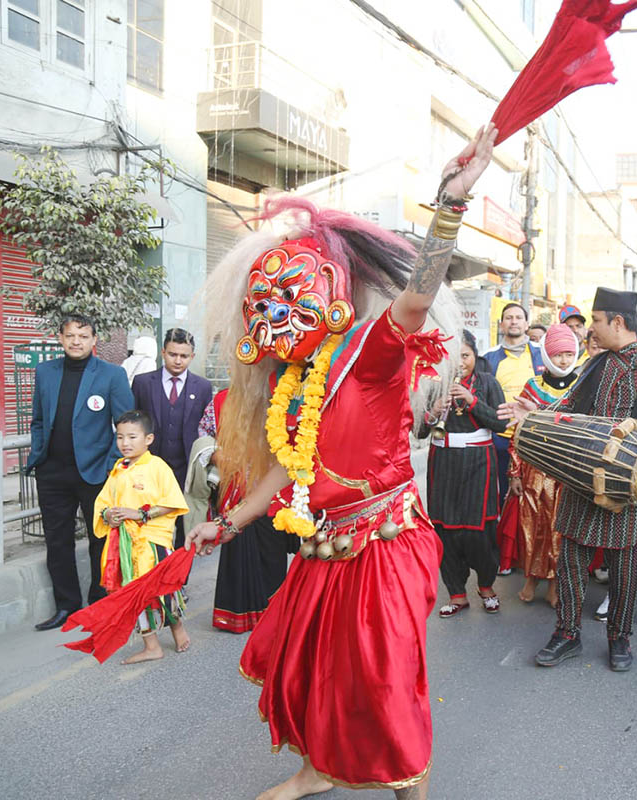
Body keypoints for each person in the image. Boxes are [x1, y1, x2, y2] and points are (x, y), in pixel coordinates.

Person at [187, 124, 495, 798]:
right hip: (325, 548)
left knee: (383, 676)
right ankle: (316, 769)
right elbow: (283, 468)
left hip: (387, 543)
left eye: (293, 299)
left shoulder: (370, 353)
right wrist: (230, 520)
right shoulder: (287, 386)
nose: (277, 316)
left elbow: (416, 297)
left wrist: (449, 204)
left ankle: (410, 788)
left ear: (330, 296)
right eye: (266, 305)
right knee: (314, 668)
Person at [507, 287, 637, 672]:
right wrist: (535, 412)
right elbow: (568, 410)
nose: (590, 329)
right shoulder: (594, 365)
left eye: (596, 321)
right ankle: (567, 633)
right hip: (584, 479)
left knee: (626, 568)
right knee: (572, 560)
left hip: (630, 485)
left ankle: (619, 638)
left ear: (617, 322)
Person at [27, 314, 134, 630]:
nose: (77, 341)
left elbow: (126, 424)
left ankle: (99, 603)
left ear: (94, 339)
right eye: (70, 335)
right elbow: (36, 419)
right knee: (56, 541)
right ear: (60, 338)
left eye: (83, 336)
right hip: (52, 474)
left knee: (99, 540)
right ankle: (66, 607)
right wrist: (38, 455)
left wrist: (109, 465)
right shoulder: (45, 372)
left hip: (95, 474)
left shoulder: (112, 375)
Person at [419, 330, 507, 618]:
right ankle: (456, 593)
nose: (460, 362)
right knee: (445, 528)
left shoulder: (487, 383)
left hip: (478, 462)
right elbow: (419, 431)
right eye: (453, 356)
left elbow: (499, 423)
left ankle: (486, 586)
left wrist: (471, 401)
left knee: (478, 530)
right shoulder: (433, 384)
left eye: (465, 355)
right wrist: (432, 412)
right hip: (443, 462)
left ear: (475, 356)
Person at [92, 409, 191, 663]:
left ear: (148, 439)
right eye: (121, 437)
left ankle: (178, 630)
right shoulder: (118, 469)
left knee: (163, 590)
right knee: (134, 593)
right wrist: (107, 516)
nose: (125, 443)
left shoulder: (157, 467)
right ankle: (151, 645)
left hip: (152, 542)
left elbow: (172, 503)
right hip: (125, 545)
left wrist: (140, 514)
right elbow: (103, 501)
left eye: (132, 437)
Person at [196, 390, 296, 634]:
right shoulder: (221, 400)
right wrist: (218, 455)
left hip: (273, 488)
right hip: (235, 486)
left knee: (272, 554)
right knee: (237, 550)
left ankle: (272, 614)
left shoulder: (283, 393)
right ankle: (236, 614)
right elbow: (204, 434)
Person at [510, 324, 581, 608]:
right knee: (531, 527)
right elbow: (519, 430)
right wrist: (515, 471)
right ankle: (531, 578)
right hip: (534, 471)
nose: (563, 360)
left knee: (559, 529)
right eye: (557, 354)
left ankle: (554, 582)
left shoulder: (582, 386)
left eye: (568, 354)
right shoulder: (532, 386)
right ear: (547, 356)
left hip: (567, 472)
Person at [131, 328, 213, 550]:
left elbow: (207, 428)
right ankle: (154, 575)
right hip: (151, 469)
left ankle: (179, 580)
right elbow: (134, 423)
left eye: (184, 356)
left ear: (192, 356)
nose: (178, 360)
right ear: (162, 352)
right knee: (153, 524)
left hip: (186, 470)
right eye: (172, 354)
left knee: (184, 528)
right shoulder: (143, 383)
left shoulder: (203, 387)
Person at [482, 302, 545, 499]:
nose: (514, 321)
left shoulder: (542, 354)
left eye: (518, 318)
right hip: (501, 437)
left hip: (534, 436)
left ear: (527, 324)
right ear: (501, 325)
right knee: (503, 494)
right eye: (509, 318)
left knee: (536, 496)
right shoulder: (489, 358)